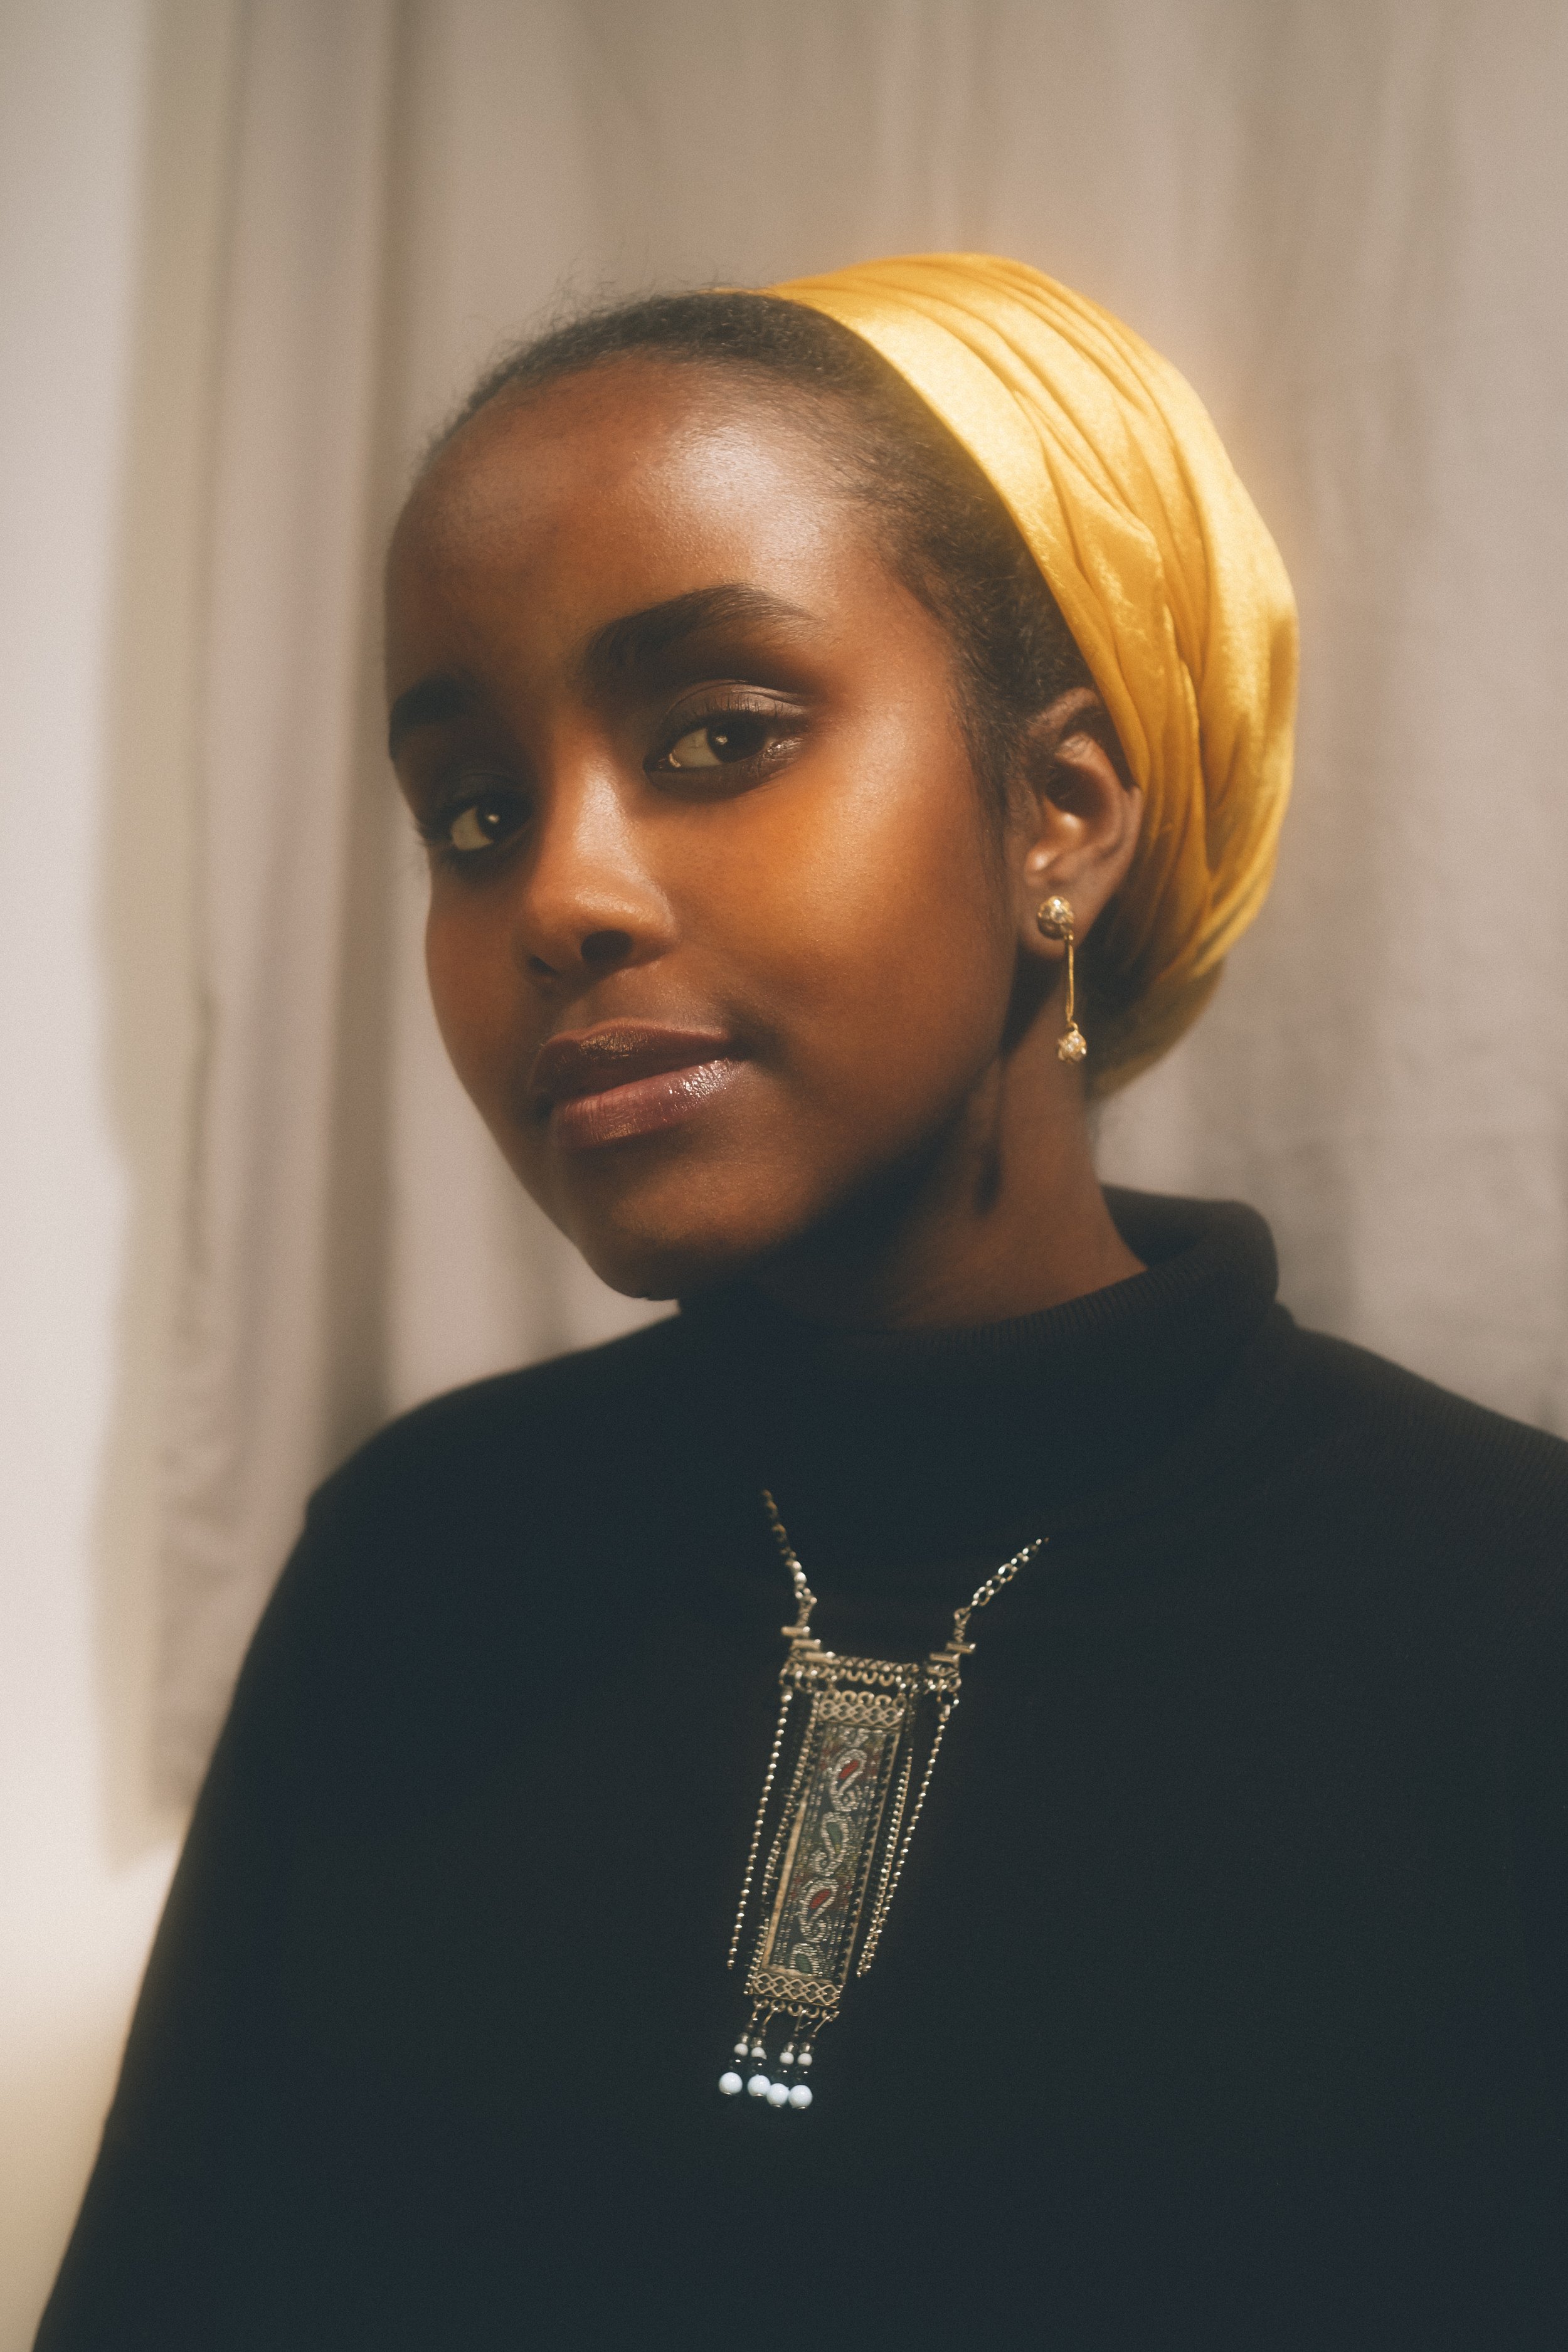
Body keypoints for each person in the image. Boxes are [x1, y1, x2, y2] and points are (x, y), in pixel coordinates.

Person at [38, 256, 1567, 2351]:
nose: (559, 894)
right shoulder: (420, 1557)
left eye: (716, 737)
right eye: (473, 811)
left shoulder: (1503, 1621)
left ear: (1059, 815)